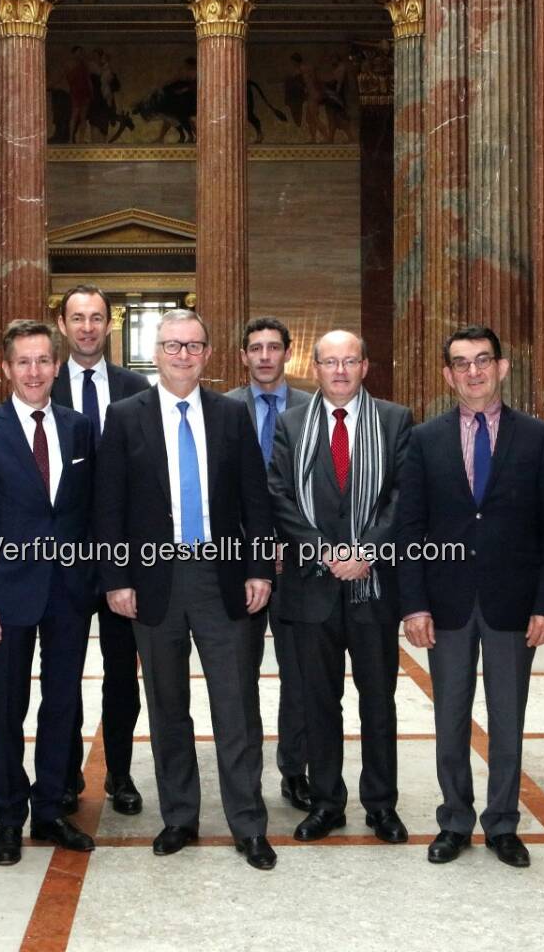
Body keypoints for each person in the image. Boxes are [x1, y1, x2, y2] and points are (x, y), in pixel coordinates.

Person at [94, 309, 279, 870]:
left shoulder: (230, 415)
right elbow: (109, 507)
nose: (182, 355)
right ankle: (180, 817)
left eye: (192, 346)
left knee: (236, 704)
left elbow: (256, 502)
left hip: (221, 575)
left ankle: (248, 823)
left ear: (207, 353)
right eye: (172, 346)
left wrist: (260, 569)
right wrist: (117, 578)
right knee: (167, 704)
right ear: (156, 350)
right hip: (153, 578)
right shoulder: (124, 417)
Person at [396, 325, 544, 868]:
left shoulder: (539, 438)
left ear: (503, 367)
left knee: (508, 719)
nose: (473, 371)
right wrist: (414, 604)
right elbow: (409, 530)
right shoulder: (423, 440)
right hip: (445, 604)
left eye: (483, 360)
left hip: (513, 605)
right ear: (447, 374)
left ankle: (502, 824)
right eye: (462, 363)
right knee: (449, 717)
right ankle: (454, 820)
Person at [0, 320, 98, 867]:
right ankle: (9, 818)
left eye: (43, 361)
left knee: (61, 705)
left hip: (68, 591)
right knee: (6, 708)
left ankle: (49, 811)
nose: (34, 371)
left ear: (56, 367)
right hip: (5, 595)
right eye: (23, 362)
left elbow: (88, 514)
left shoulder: (80, 428)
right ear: (7, 369)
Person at [266, 331, 412, 843]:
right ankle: (327, 801)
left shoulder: (396, 420)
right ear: (316, 368)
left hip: (373, 587)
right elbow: (278, 495)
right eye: (331, 362)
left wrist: (365, 551)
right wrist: (326, 551)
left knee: (379, 700)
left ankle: (381, 805)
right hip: (311, 587)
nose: (342, 370)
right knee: (317, 700)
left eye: (351, 360)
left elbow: (400, 497)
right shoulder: (290, 423)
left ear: (366, 366)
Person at [51, 284, 152, 817]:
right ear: (63, 325)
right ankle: (65, 774)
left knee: (121, 674)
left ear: (109, 325)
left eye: (96, 318)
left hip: (125, 559)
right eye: (77, 318)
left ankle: (120, 773)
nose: (87, 327)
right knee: (62, 672)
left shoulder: (137, 388)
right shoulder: (43, 385)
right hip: (63, 559)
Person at [227, 317, 314, 812]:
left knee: (298, 673)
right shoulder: (222, 410)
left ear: (287, 353)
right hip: (237, 564)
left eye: (273, 347)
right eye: (255, 347)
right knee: (239, 675)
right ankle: (245, 775)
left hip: (297, 564)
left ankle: (294, 769)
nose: (264, 356)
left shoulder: (312, 408)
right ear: (243, 355)